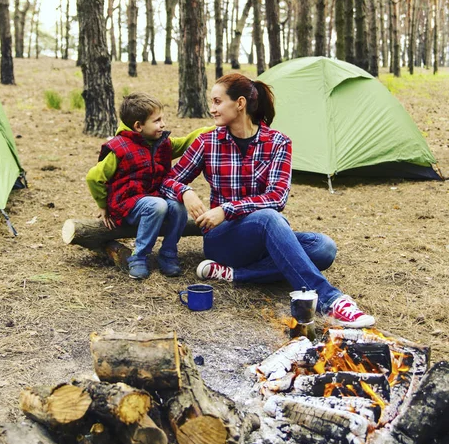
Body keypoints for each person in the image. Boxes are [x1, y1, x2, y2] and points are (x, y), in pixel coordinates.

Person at [161, 73, 375, 328]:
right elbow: (167, 181)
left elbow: (277, 197)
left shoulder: (278, 143)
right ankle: (330, 300)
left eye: (218, 101)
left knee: (323, 248)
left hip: (262, 237)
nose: (212, 108)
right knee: (269, 218)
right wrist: (185, 191)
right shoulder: (207, 142)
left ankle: (236, 275)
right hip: (222, 240)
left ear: (239, 103)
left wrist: (226, 209)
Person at [87, 92, 213, 280]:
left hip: (153, 201)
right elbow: (93, 177)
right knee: (158, 204)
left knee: (177, 206)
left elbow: (186, 142)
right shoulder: (119, 148)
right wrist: (103, 205)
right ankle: (138, 257)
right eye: (157, 120)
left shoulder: (161, 143)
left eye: (162, 119)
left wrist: (213, 128)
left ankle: (168, 254)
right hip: (127, 205)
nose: (163, 124)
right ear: (138, 126)